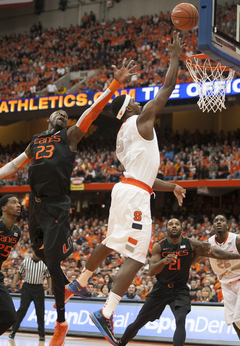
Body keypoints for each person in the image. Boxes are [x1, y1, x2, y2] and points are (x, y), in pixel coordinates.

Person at [0, 59, 137, 346]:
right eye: (58, 112)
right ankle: (65, 253)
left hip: (58, 206)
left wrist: (114, 85)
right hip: (36, 207)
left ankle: (61, 323)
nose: (62, 114)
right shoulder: (36, 141)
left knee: (50, 257)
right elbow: (14, 165)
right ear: (48, 119)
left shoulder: (71, 135)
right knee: (41, 253)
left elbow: (93, 109)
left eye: (65, 113)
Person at [64, 31, 186, 346]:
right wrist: (174, 57)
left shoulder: (124, 138)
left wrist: (170, 185)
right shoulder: (143, 120)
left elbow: (144, 177)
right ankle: (106, 313)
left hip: (127, 188)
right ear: (131, 110)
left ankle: (81, 281)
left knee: (111, 241)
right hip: (134, 196)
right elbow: (168, 88)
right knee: (136, 256)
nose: (143, 103)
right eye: (136, 102)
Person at [118, 218, 240, 346]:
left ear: (182, 229)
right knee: (139, 321)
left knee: (181, 320)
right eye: (171, 224)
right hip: (161, 288)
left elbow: (214, 252)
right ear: (166, 229)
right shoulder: (159, 246)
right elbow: (151, 271)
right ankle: (121, 343)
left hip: (180, 290)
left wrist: (238, 256)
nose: (174, 226)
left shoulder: (191, 243)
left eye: (177, 224)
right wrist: (163, 261)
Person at [208, 215, 240, 339]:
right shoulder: (208, 243)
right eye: (216, 221)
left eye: (222, 220)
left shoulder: (236, 240)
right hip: (226, 284)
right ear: (213, 226)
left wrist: (232, 268)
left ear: (228, 226)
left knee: (238, 319)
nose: (219, 222)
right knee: (232, 320)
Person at [9, 250, 51, 341]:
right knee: (22, 309)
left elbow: (48, 276)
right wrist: (14, 283)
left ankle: (42, 335)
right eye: (35, 252)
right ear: (32, 252)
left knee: (40, 312)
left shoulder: (44, 263)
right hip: (27, 287)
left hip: (38, 288)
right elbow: (19, 273)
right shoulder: (26, 261)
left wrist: (50, 288)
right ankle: (13, 331)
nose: (36, 254)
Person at [0, 194, 21, 336]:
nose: (18, 205)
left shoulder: (16, 232)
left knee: (10, 316)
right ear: (4, 208)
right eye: (13, 202)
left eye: (19, 202)